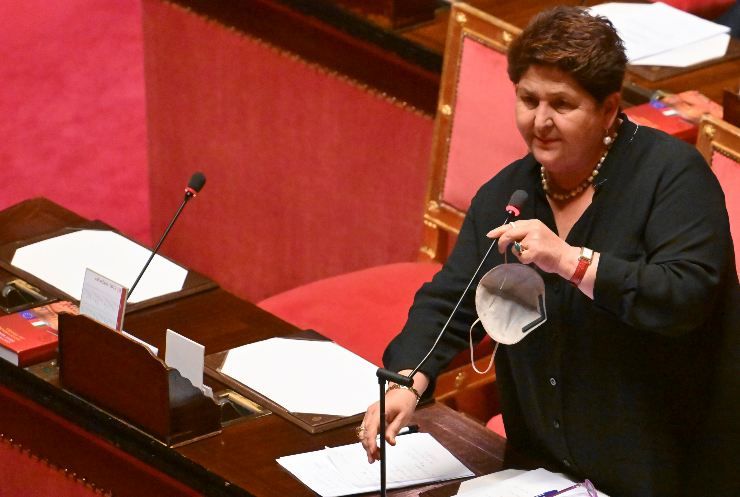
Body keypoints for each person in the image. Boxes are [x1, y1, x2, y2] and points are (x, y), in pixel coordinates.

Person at [357, 6, 738, 497]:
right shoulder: (508, 194)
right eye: (528, 99)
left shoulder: (672, 176)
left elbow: (684, 295)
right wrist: (408, 379)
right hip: (544, 470)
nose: (541, 121)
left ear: (609, 109)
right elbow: (451, 300)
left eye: (562, 103)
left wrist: (570, 261)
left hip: (666, 469)